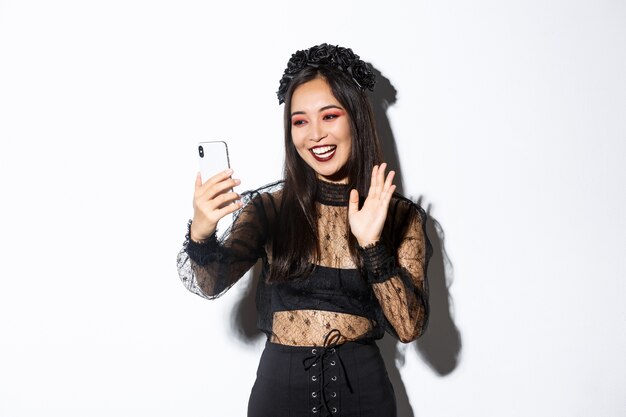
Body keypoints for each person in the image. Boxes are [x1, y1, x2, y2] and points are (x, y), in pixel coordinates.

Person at [177, 43, 431, 417]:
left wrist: (372, 246)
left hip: (365, 396)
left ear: (356, 120)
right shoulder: (269, 208)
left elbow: (409, 327)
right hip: (279, 396)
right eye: (300, 121)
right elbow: (209, 284)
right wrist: (201, 234)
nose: (314, 135)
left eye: (329, 116)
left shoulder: (399, 216)